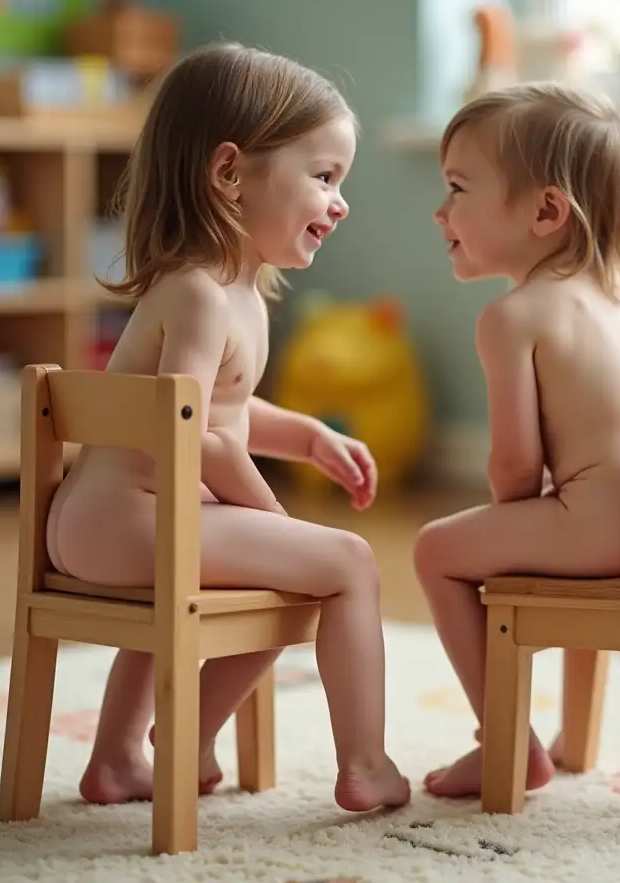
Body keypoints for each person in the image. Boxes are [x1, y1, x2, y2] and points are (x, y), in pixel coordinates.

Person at [45, 42, 410, 814]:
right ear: (230, 173)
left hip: (126, 517)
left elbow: (220, 414)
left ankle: (118, 758)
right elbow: (196, 436)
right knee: (341, 562)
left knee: (290, 573)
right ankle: (364, 763)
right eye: (324, 176)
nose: (339, 202)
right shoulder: (202, 296)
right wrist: (268, 514)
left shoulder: (232, 290)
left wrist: (307, 436)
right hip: (125, 520)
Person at [413, 82, 620, 799]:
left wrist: (514, 514)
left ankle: (506, 743)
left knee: (436, 549)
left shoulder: (513, 319)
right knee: (565, 509)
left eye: (457, 188)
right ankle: (573, 739)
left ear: (547, 210)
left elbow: (515, 469)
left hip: (607, 528)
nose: (440, 210)